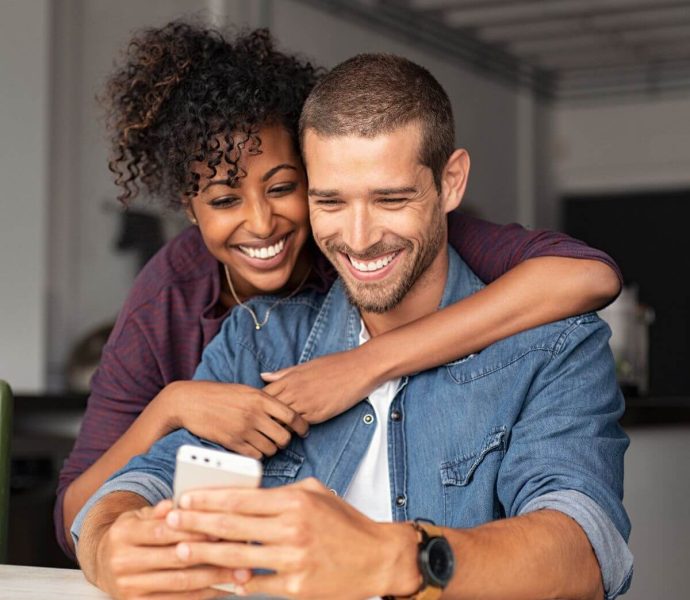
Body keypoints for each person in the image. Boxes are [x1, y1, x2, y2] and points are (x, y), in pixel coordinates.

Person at [72, 52, 632, 600]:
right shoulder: (255, 338)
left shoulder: (555, 346)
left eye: (390, 199)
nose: (360, 238)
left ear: (451, 183)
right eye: (330, 201)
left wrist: (393, 558)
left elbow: (583, 552)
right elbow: (134, 488)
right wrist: (108, 546)